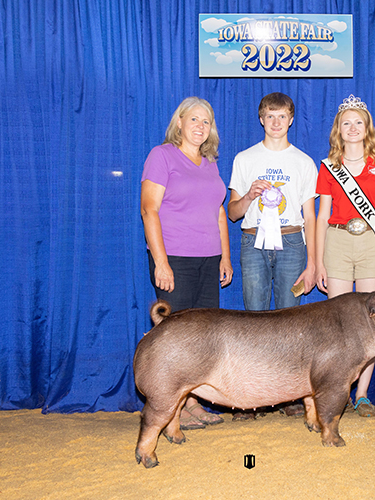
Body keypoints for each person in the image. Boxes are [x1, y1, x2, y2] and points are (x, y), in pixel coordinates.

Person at [140, 96, 233, 430]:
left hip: (208, 259)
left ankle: (191, 403)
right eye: (194, 119)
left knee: (202, 338)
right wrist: (160, 262)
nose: (200, 126)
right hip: (175, 258)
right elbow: (149, 210)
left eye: (206, 121)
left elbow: (219, 211)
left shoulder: (210, 163)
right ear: (179, 122)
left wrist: (225, 255)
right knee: (172, 339)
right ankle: (168, 410)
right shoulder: (161, 156)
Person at [228, 92, 318, 420]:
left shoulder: (304, 162)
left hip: (293, 242)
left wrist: (313, 262)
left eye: (282, 116)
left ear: (291, 119)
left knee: (289, 321)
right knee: (252, 320)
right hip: (253, 242)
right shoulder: (244, 159)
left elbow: (310, 216)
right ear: (261, 119)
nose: (276, 122)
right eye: (270, 116)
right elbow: (233, 213)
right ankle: (248, 397)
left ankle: (288, 395)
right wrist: (250, 195)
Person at [315, 94, 375, 418]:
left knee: (369, 320)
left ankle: (362, 394)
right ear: (339, 129)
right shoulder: (329, 167)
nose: (352, 128)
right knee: (338, 323)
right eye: (346, 123)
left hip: (370, 243)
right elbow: (322, 216)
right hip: (336, 241)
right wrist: (319, 260)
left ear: (367, 129)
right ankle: (338, 391)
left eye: (358, 123)